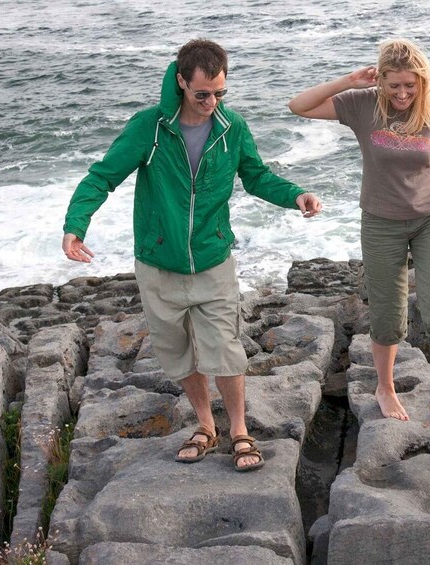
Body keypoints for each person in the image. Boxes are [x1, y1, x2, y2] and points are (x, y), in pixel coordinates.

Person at [62, 39, 322, 472]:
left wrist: (296, 195)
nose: (211, 103)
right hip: (158, 263)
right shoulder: (150, 127)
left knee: (225, 349)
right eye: (202, 94)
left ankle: (239, 430)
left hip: (212, 258)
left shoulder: (231, 126)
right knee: (177, 352)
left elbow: (257, 177)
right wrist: (76, 225)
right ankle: (205, 425)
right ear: (181, 81)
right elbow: (102, 177)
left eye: (220, 93)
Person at [288, 38, 430, 448]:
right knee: (387, 313)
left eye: (410, 86)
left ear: (422, 81)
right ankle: (384, 388)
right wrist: (348, 81)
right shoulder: (362, 104)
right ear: (381, 80)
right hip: (381, 222)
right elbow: (299, 106)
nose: (403, 94)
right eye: (394, 85)